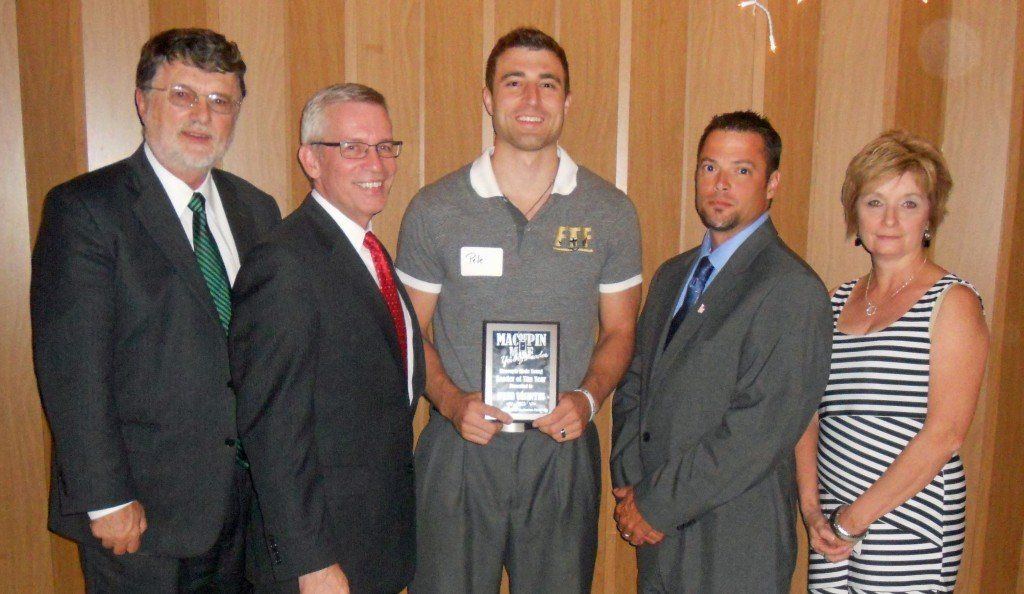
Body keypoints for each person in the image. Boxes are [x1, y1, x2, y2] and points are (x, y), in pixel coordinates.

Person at [30, 28, 281, 592]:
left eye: (221, 101)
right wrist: (106, 497)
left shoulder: (255, 209)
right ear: (143, 102)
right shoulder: (86, 210)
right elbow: (73, 370)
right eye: (182, 95)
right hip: (142, 515)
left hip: (247, 504)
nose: (202, 115)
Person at [396, 27, 642, 593]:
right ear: (488, 98)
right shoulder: (435, 209)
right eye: (515, 83)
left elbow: (621, 330)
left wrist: (587, 398)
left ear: (566, 101)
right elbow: (410, 330)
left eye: (547, 84)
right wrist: (452, 401)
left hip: (561, 451)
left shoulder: (610, 212)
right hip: (460, 449)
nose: (532, 101)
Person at [610, 110, 833, 593]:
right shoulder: (673, 276)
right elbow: (636, 381)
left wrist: (656, 504)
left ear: (772, 184)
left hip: (734, 541)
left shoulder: (792, 289)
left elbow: (759, 431)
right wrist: (631, 479)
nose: (721, 185)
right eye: (710, 167)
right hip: (658, 531)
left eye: (742, 170)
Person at [230, 83, 424, 594]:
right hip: (321, 557)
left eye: (386, 146)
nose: (377, 164)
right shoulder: (285, 263)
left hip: (373, 540)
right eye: (354, 148)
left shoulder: (368, 250)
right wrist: (311, 560)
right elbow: (273, 427)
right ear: (311, 160)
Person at [795, 130, 988, 593]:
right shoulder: (836, 299)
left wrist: (855, 519)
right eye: (874, 201)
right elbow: (807, 409)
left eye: (909, 203)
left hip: (911, 520)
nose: (889, 219)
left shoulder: (953, 302)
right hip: (834, 518)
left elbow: (945, 434)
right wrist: (813, 508)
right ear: (854, 213)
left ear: (930, 216)